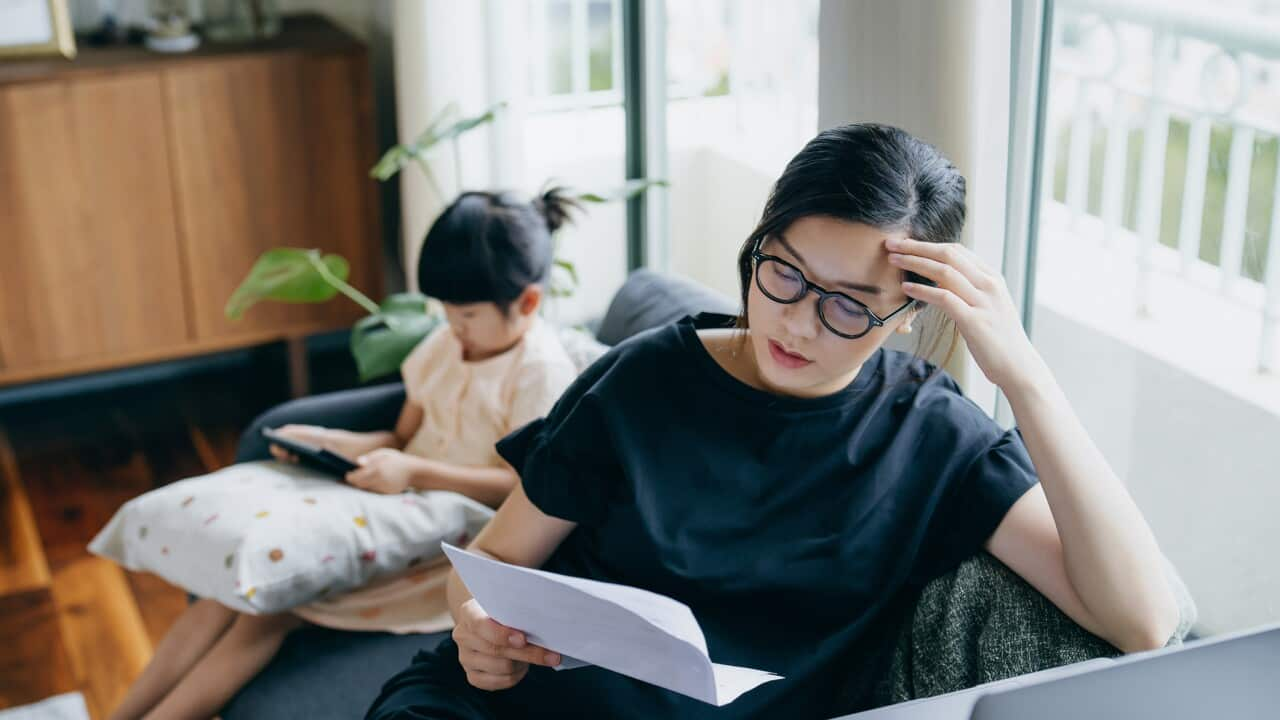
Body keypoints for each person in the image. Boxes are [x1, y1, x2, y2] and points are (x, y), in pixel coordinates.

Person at [364, 124, 1181, 719]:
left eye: (849, 308)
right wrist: (474, 627)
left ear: (906, 316)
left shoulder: (931, 437)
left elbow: (1143, 621)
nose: (796, 324)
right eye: (783, 273)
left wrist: (1027, 378)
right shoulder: (647, 376)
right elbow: (494, 562)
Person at [107, 189, 581, 720]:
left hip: (453, 541)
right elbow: (400, 436)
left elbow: (523, 491)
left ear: (528, 303)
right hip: (393, 498)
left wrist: (414, 472)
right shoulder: (446, 347)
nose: (454, 327)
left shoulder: (539, 373)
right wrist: (327, 444)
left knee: (263, 615)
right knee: (225, 597)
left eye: (467, 314)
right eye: (446, 311)